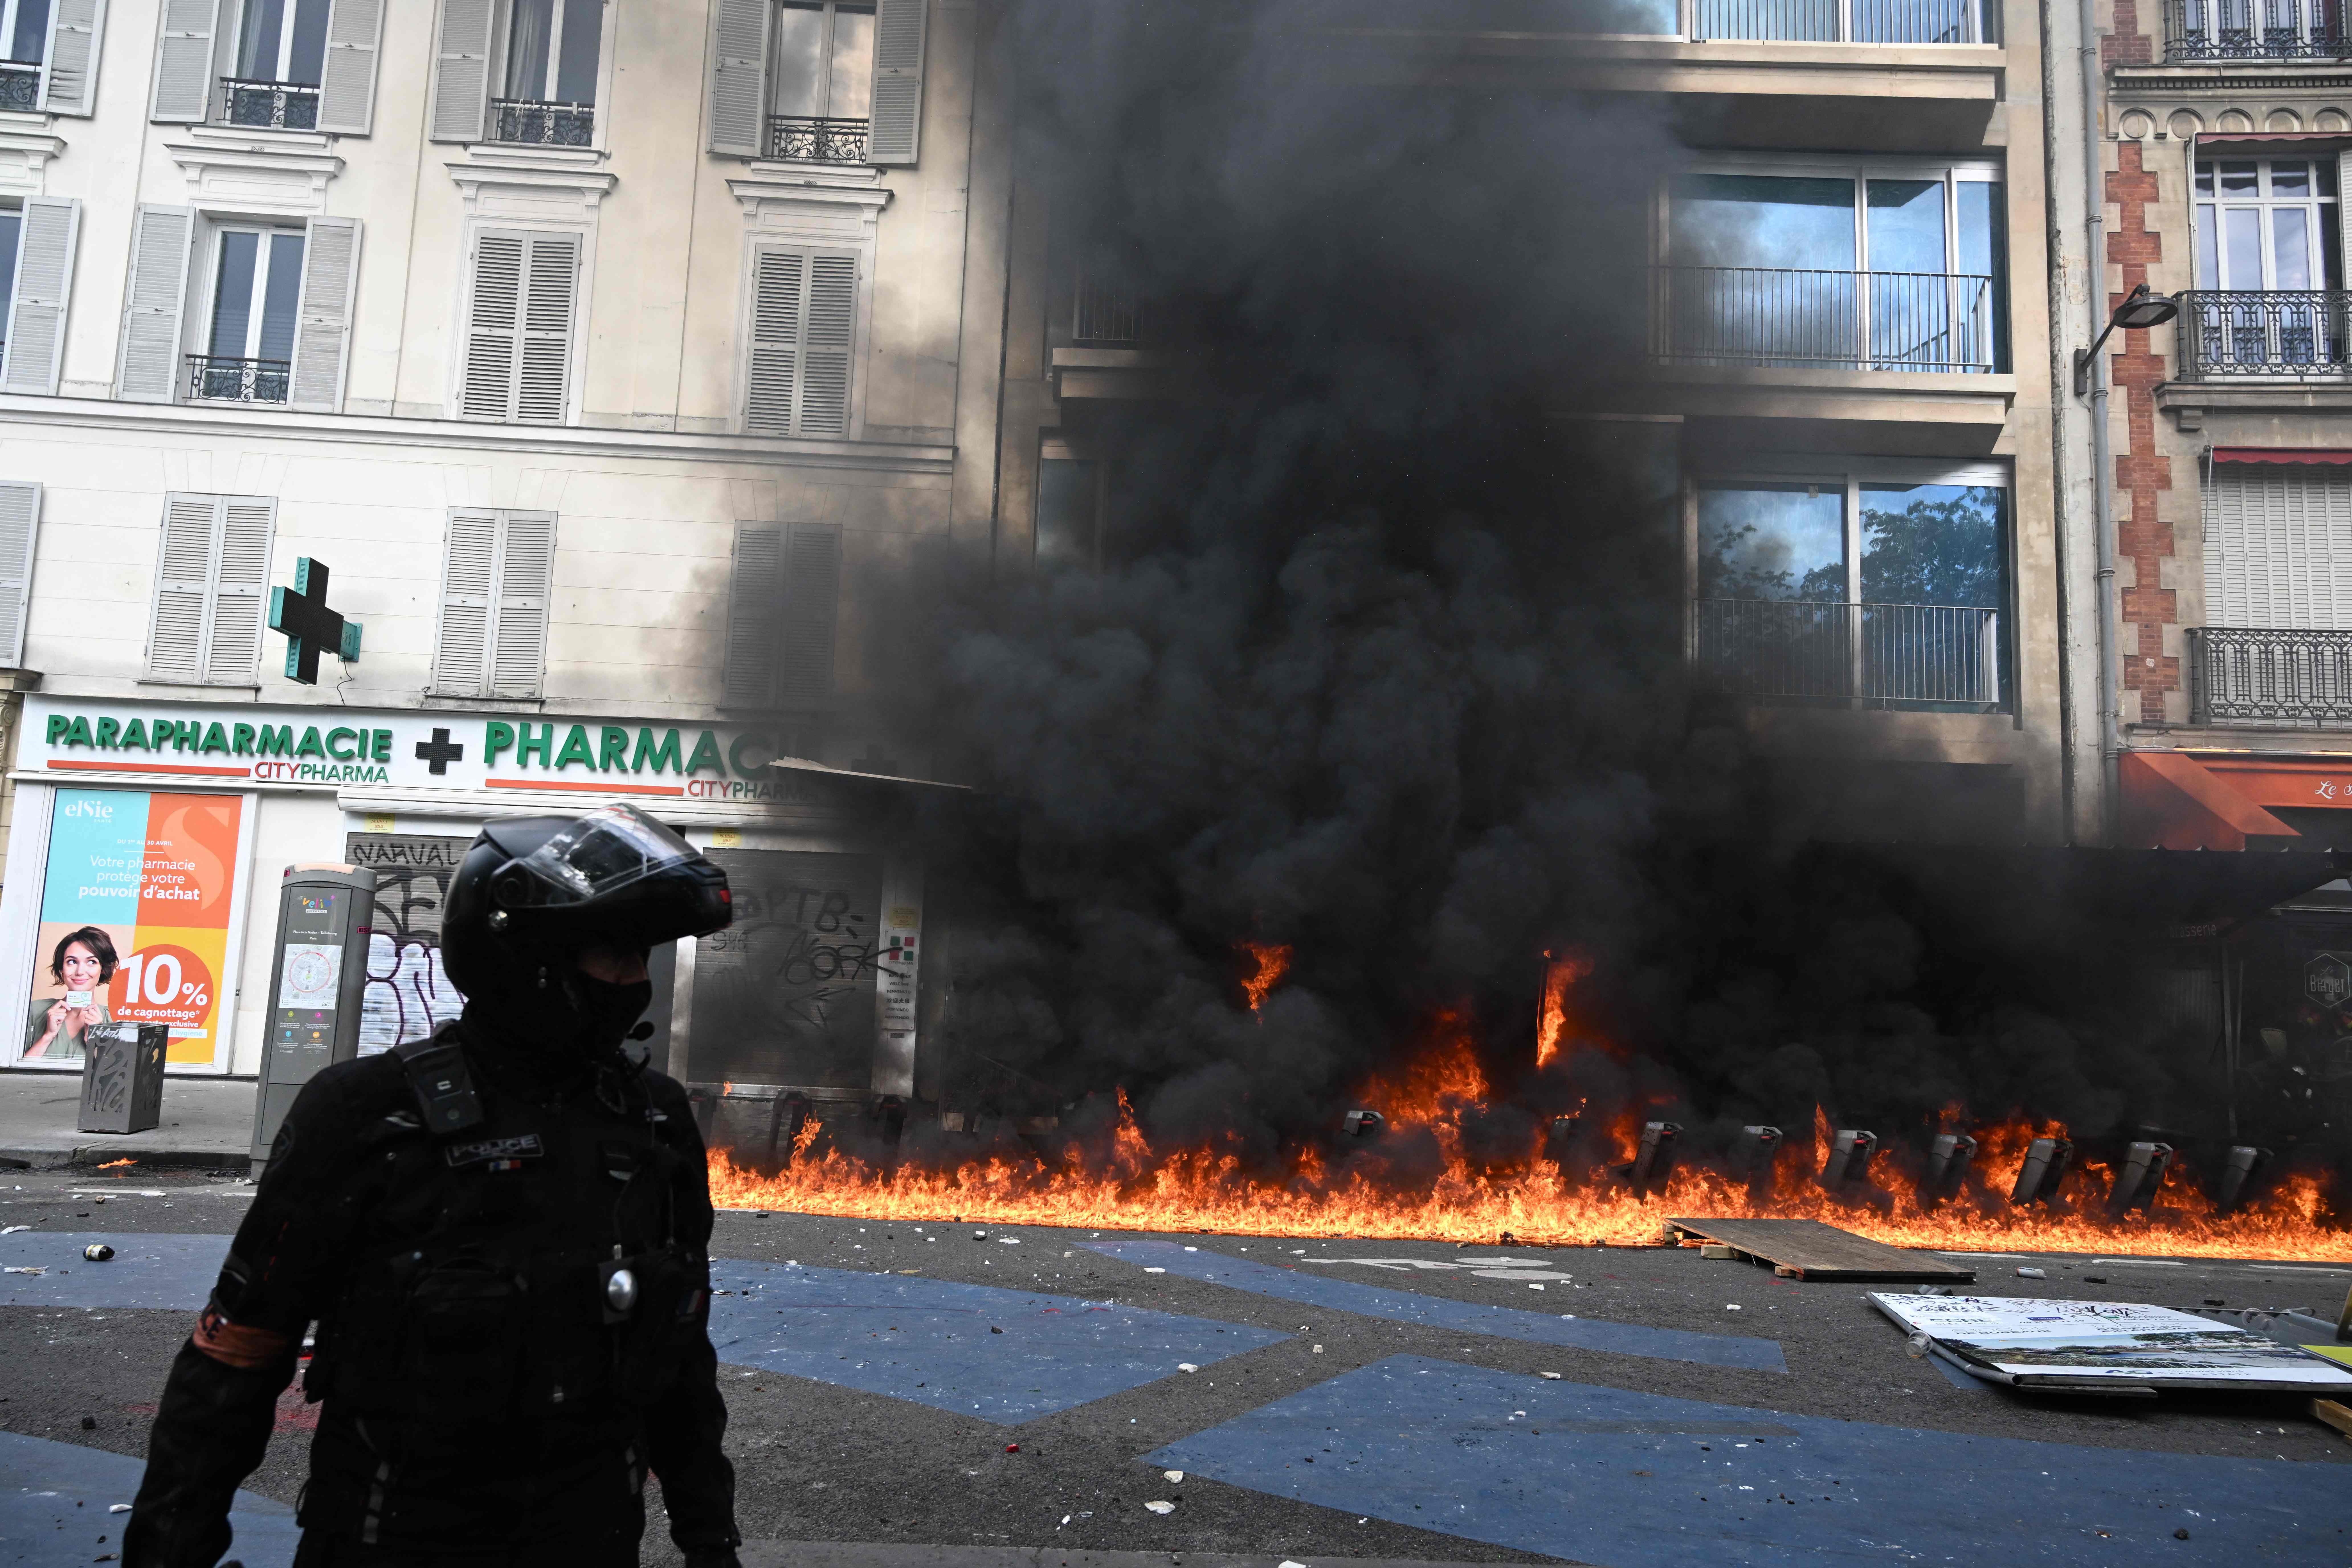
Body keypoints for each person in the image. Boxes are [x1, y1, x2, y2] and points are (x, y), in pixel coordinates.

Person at [124, 804, 743, 1568]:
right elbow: (240, 1354)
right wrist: (167, 1547)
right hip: (394, 1538)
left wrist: (709, 1538)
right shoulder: (367, 1114)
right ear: (530, 957)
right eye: (614, 953)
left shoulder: (653, 1120)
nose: (634, 981)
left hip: (591, 1540)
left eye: (641, 956)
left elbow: (680, 1355)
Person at [23, 926, 117, 1061]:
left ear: (103, 969)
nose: (80, 972)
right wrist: (48, 1036)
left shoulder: (114, 1020)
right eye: (72, 962)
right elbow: (12, 1074)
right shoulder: (34, 1011)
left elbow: (116, 1078)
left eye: (92, 962)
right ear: (62, 968)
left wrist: (94, 1043)